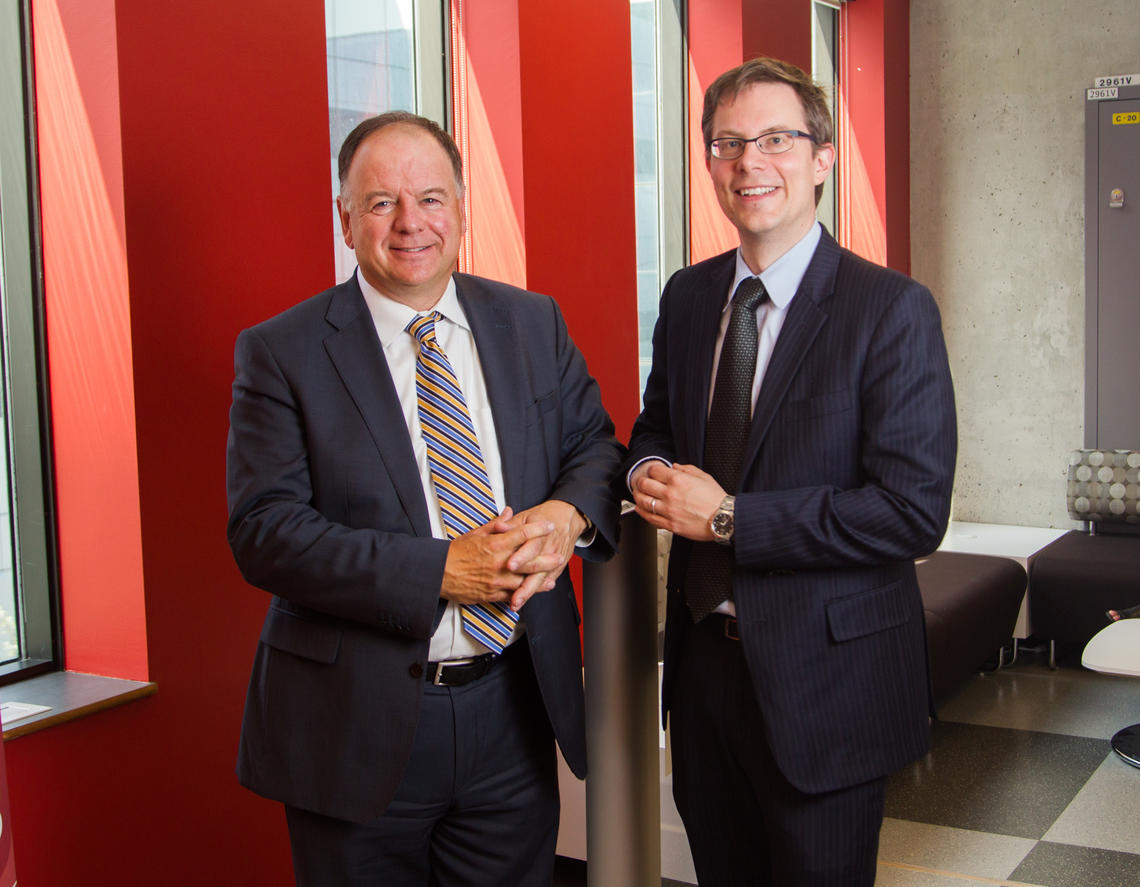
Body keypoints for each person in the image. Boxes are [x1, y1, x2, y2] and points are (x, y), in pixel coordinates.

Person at [226, 110, 622, 886]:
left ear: (463, 209)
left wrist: (565, 513)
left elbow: (597, 447)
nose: (411, 223)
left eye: (432, 198)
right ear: (345, 218)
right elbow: (264, 530)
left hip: (511, 708)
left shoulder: (532, 321)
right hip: (355, 725)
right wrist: (442, 571)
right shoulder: (282, 352)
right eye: (381, 203)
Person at [624, 58, 957, 885]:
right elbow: (656, 427)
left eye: (776, 138)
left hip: (828, 683)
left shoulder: (890, 309)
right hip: (703, 672)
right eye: (728, 143)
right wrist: (651, 471)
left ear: (822, 157)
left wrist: (729, 517)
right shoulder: (690, 297)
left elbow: (911, 512)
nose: (749, 163)